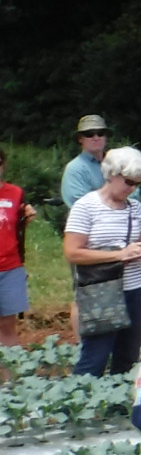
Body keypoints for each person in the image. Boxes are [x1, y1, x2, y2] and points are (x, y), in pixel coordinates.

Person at [65, 146, 141, 377]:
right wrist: (118, 255)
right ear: (112, 175)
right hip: (102, 291)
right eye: (129, 182)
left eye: (138, 183)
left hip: (137, 288)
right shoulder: (85, 206)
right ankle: (79, 405)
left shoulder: (136, 208)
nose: (133, 188)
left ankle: (118, 408)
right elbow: (73, 253)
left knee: (128, 355)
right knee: (95, 355)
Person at [0, 147, 35, 346]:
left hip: (10, 266)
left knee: (8, 324)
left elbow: (22, 218)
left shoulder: (16, 193)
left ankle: (10, 375)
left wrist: (27, 217)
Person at [61, 115, 111, 208]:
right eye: (89, 134)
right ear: (80, 139)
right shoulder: (75, 168)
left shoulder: (118, 163)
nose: (96, 138)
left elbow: (133, 195)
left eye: (100, 133)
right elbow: (81, 205)